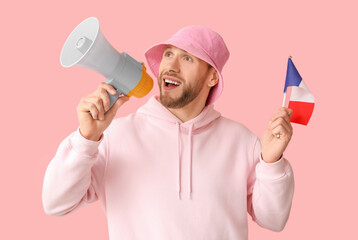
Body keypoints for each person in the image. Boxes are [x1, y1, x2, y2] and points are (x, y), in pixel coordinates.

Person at [42, 25, 294, 240]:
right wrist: (85, 140)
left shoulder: (242, 141)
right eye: (168, 54)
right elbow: (55, 203)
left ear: (212, 78)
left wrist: (271, 163)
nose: (170, 66)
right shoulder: (113, 137)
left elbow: (273, 220)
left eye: (187, 58)